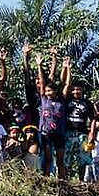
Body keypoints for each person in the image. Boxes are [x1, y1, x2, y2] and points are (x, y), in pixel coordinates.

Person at [35, 52, 69, 180]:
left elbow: (66, 84)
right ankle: (47, 179)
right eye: (47, 91)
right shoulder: (44, 99)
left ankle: (62, 180)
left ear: (55, 91)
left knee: (60, 159)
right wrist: (39, 65)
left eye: (51, 90)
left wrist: (67, 68)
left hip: (59, 133)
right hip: (46, 133)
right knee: (48, 158)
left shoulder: (62, 100)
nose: (48, 92)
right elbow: (43, 82)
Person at [64, 63, 94, 180]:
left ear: (82, 91)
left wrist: (91, 133)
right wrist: (68, 69)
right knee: (67, 159)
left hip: (83, 134)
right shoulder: (67, 100)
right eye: (75, 89)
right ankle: (65, 181)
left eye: (79, 89)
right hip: (68, 133)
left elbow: (93, 119)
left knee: (84, 159)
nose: (76, 91)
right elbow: (66, 84)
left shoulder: (87, 103)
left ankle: (82, 182)